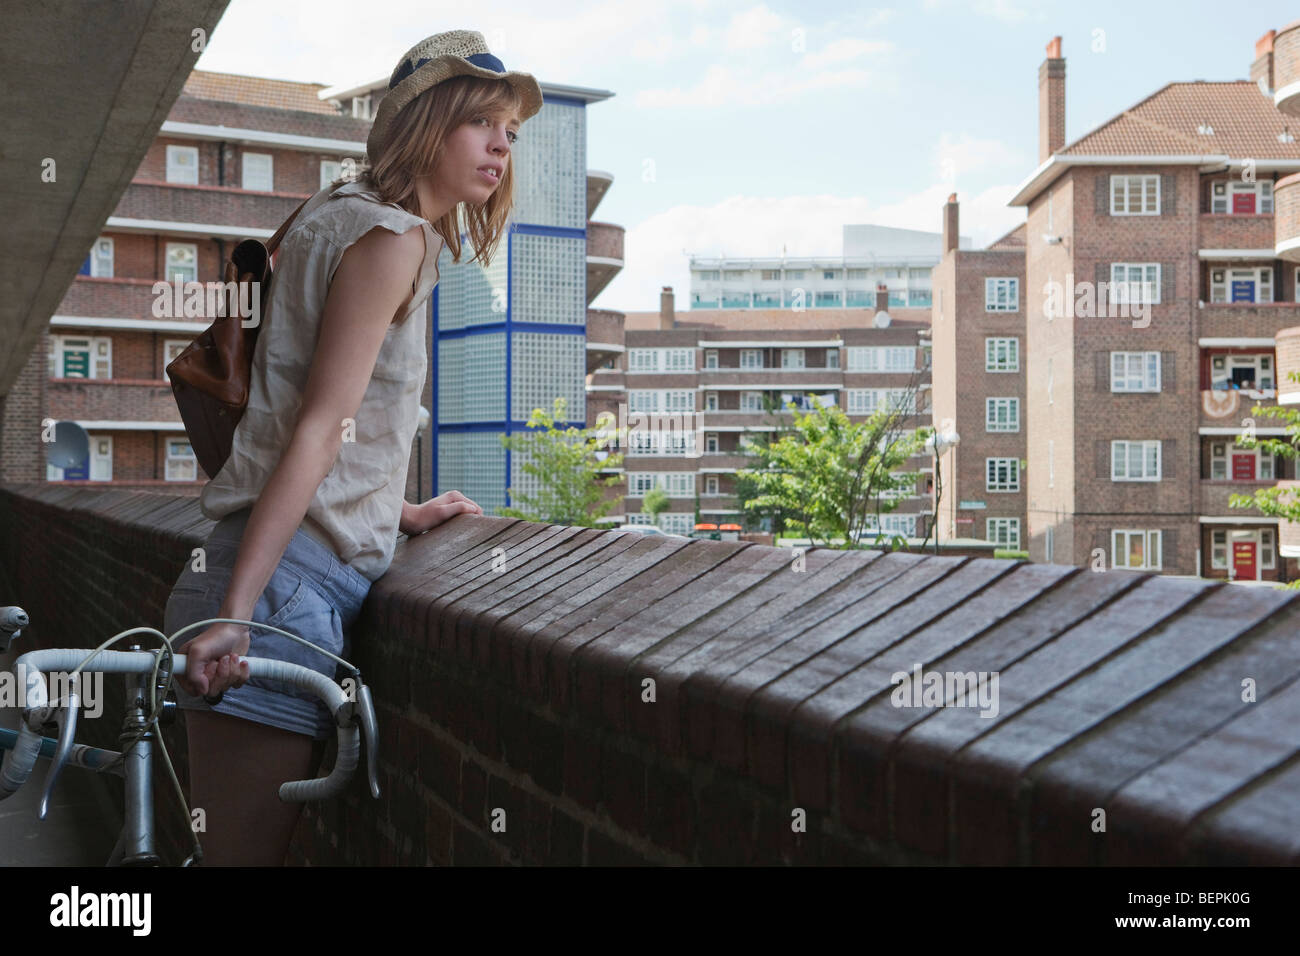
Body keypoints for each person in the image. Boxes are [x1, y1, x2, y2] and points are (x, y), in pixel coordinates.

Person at [163, 30, 543, 866]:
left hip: (267, 579)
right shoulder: (393, 239)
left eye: (509, 131)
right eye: (481, 121)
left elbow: (305, 406)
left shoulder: (329, 215)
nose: (500, 145)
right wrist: (237, 612)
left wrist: (394, 507)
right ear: (427, 122)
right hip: (275, 595)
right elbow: (315, 425)